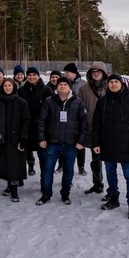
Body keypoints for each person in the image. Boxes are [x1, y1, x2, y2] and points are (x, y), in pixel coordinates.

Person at [92, 74, 129, 220]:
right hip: (107, 143)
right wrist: (96, 143)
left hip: (126, 145)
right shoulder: (102, 102)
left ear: (122, 84)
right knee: (110, 172)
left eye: (116, 82)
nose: (114, 84)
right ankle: (113, 197)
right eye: (111, 82)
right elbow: (96, 124)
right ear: (107, 84)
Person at [37, 76, 88, 205]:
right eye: (60, 85)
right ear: (57, 87)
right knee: (48, 169)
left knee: (68, 170)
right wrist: (41, 138)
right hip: (52, 142)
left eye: (65, 84)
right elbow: (41, 121)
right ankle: (46, 194)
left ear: (69, 86)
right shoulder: (49, 101)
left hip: (71, 143)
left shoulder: (78, 102)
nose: (63, 87)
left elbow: (84, 123)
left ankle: (65, 194)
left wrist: (81, 141)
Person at [0, 78, 31, 202]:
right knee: (5, 164)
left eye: (10, 85)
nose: (7, 88)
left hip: (16, 139)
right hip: (2, 138)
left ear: (14, 87)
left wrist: (23, 137)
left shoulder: (21, 102)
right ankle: (9, 186)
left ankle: (14, 190)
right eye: (5, 86)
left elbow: (26, 121)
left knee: (14, 165)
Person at [17, 67, 52, 180]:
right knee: (22, 154)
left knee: (43, 156)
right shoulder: (21, 90)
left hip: (41, 128)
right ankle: (19, 179)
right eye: (29, 75)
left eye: (34, 75)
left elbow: (51, 109)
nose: (32, 77)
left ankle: (44, 180)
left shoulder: (46, 90)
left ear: (38, 76)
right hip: (26, 127)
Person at [78, 61, 109, 183]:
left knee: (110, 161)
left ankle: (112, 189)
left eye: (98, 71)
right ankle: (98, 183)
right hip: (91, 128)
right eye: (93, 72)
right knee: (95, 159)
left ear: (103, 73)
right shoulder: (83, 88)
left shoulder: (110, 87)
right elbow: (78, 108)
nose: (96, 74)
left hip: (107, 129)